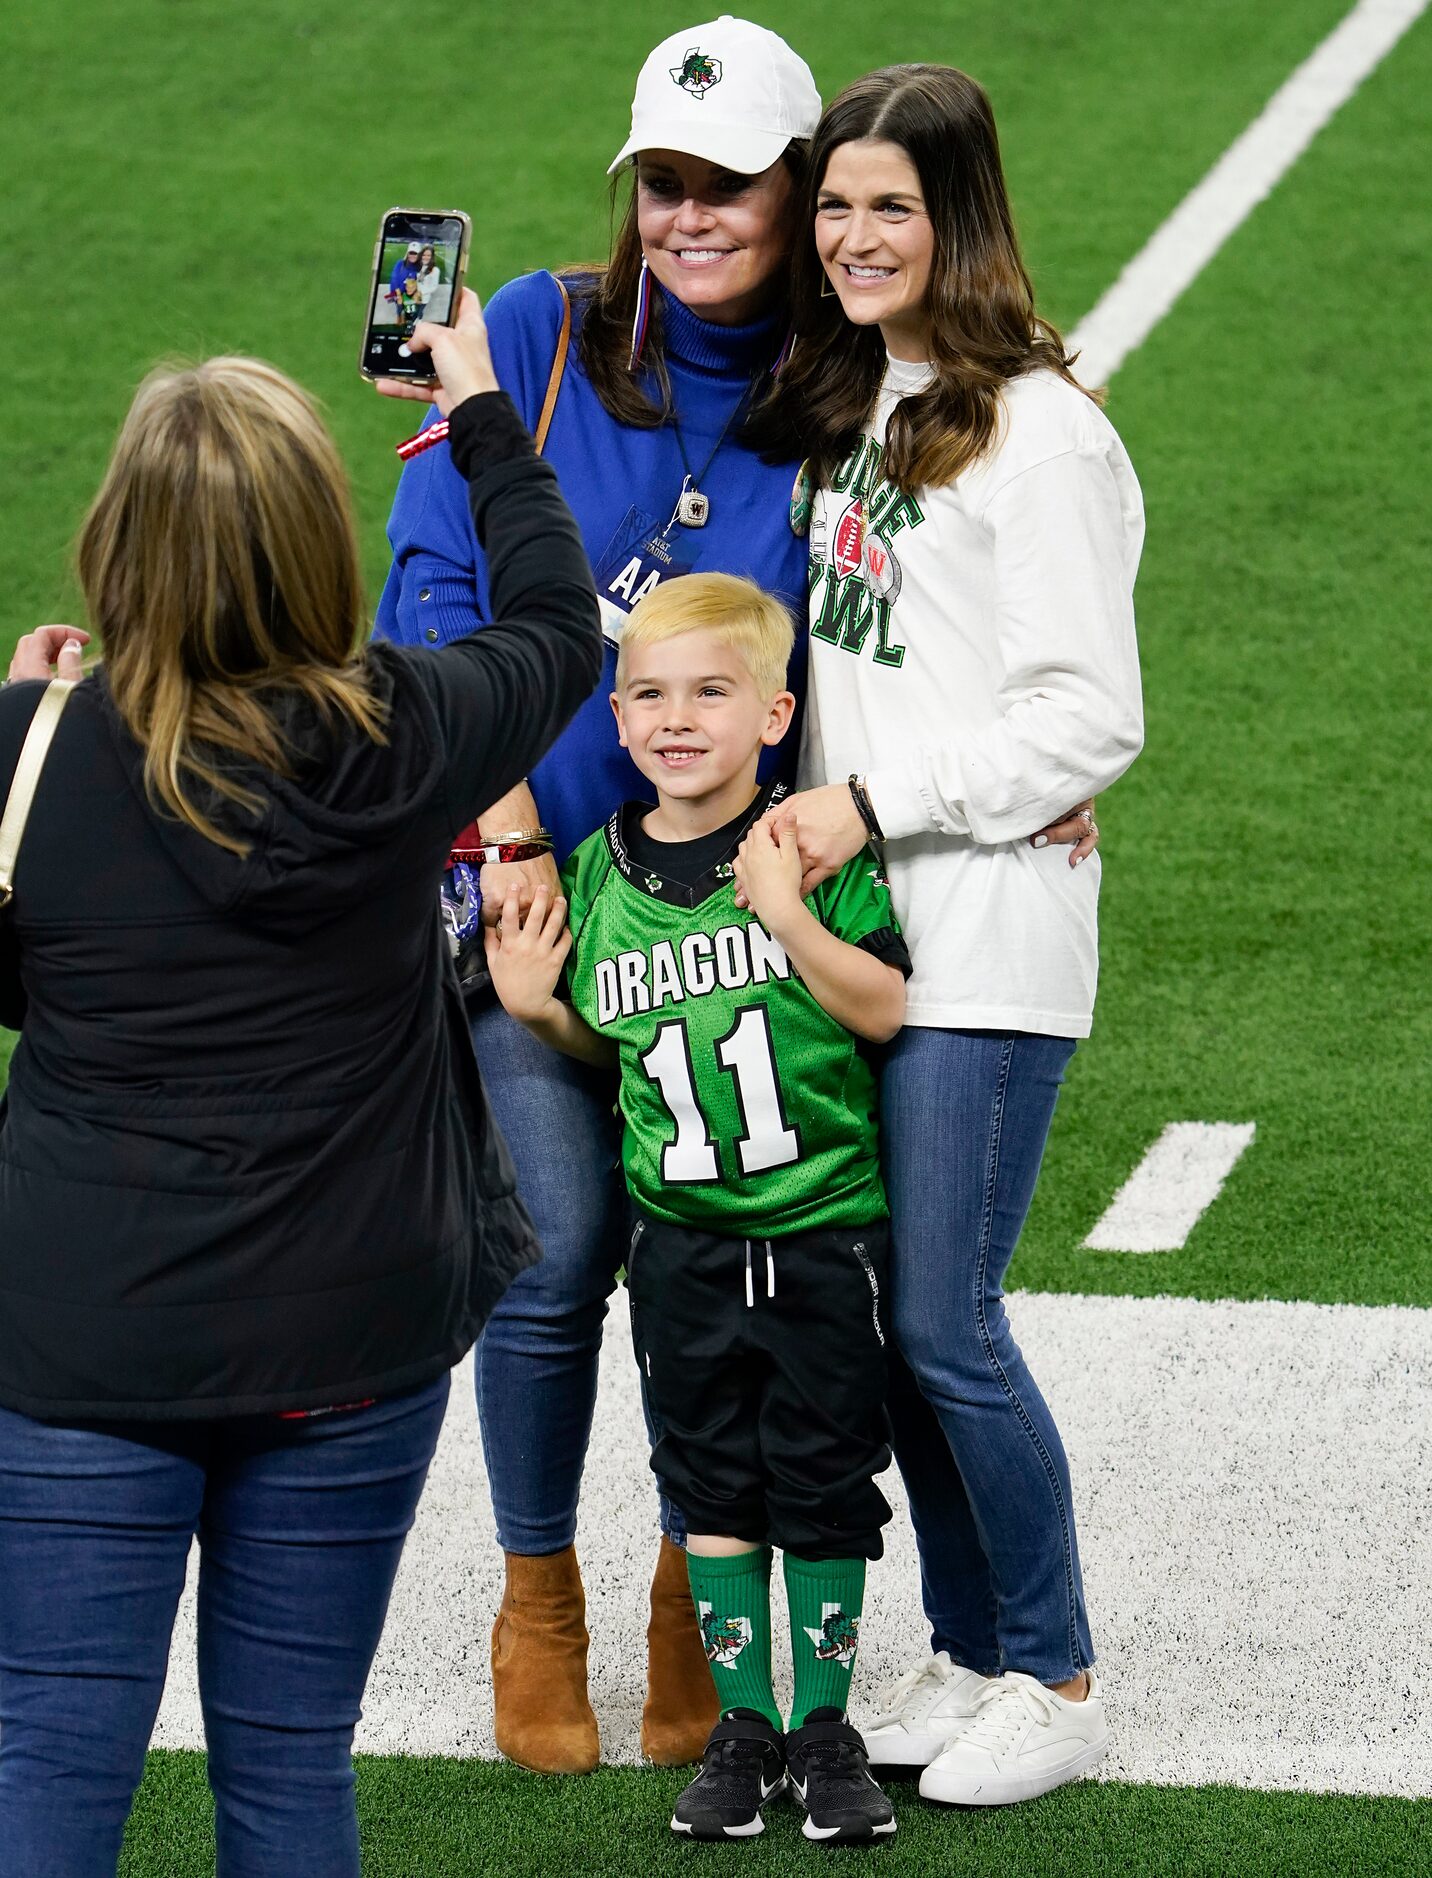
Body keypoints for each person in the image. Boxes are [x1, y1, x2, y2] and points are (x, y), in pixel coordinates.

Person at [0, 291, 602, 1877]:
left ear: (118, 544)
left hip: (81, 1340)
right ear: (310, 546)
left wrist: (31, 728)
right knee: (284, 1770)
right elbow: (556, 619)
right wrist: (475, 403)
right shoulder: (402, 734)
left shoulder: (22, 751)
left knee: (49, 1768)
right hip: (351, 1327)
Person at [370, 15, 823, 1775]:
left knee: (713, 1273)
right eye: (663, 182)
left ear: (792, 191)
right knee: (555, 1262)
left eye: (726, 185)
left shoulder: (842, 378)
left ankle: (682, 1593)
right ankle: (536, 1592)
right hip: (532, 912)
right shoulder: (538, 339)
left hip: (731, 943)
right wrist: (511, 848)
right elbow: (430, 607)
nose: (689, 214)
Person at [751, 64, 1145, 1805]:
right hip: (871, 926)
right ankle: (973, 1643)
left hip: (982, 929)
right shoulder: (869, 404)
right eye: (834, 206)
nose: (851, 236)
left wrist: (876, 804)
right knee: (894, 1312)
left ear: (958, 217)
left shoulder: (1040, 430)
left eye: (888, 208)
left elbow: (1087, 714)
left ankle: (1053, 1672)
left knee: (948, 1315)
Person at [485, 572, 909, 1845]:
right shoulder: (600, 872)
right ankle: (740, 1725)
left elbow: (884, 1007)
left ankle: (821, 1725)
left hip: (822, 1223)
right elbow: (620, 1047)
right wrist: (536, 1011)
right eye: (649, 694)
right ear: (615, 721)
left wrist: (782, 914)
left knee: (824, 1476)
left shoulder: (804, 848)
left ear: (776, 715)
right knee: (712, 1477)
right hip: (681, 1241)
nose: (678, 717)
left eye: (711, 692)